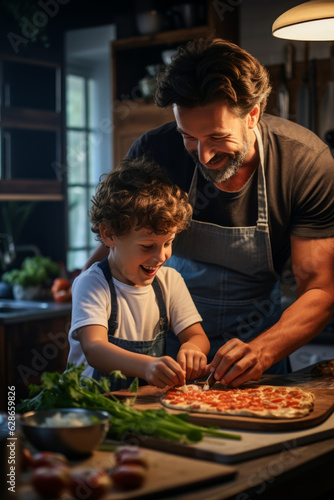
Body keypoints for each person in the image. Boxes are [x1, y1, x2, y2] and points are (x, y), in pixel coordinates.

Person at [84, 37, 334, 388]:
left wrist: (261, 351)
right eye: (189, 136)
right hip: (167, 353)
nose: (203, 156)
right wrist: (87, 293)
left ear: (253, 115)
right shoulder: (155, 151)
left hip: (259, 344)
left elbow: (320, 290)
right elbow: (116, 245)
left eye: (217, 137)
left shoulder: (305, 163)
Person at [67, 157, 210, 391]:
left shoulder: (170, 282)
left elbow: (197, 336)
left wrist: (193, 348)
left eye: (168, 243)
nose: (161, 256)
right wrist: (147, 367)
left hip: (142, 404)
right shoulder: (91, 283)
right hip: (93, 409)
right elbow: (94, 349)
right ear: (109, 235)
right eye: (147, 246)